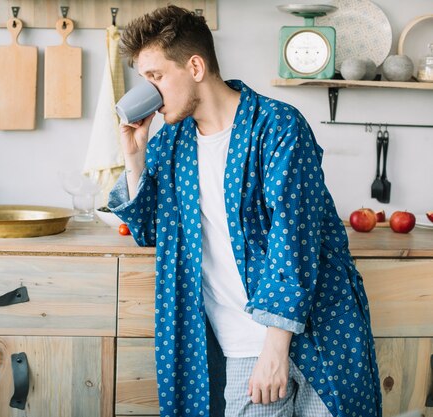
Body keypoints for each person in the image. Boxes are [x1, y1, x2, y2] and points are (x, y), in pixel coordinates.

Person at [108, 5, 382, 417]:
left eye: (156, 76)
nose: (150, 90)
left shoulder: (278, 126)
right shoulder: (168, 144)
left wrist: (275, 349)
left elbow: (294, 241)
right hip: (240, 346)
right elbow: (149, 231)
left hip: (319, 336)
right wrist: (134, 157)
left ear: (195, 66)